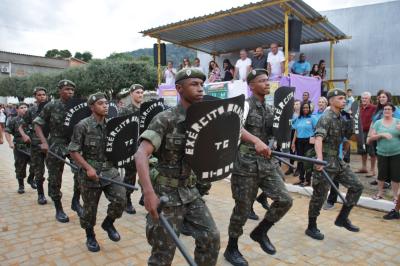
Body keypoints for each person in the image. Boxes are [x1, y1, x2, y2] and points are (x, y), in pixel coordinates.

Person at [135, 68, 270, 266]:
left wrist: (256, 140)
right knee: (163, 254)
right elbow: (141, 154)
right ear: (179, 88)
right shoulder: (166, 119)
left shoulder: (206, 113)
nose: (200, 89)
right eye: (194, 84)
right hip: (166, 193)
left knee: (211, 238)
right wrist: (148, 193)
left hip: (190, 191)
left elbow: (234, 127)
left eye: (201, 84)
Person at [224, 69, 293, 266]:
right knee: (243, 209)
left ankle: (260, 231)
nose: (266, 83)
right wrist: (256, 141)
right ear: (251, 85)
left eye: (267, 80)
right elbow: (236, 127)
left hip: (266, 164)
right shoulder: (244, 105)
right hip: (245, 165)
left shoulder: (271, 109)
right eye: (261, 81)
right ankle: (231, 248)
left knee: (285, 200)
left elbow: (275, 133)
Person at [69, 92, 126, 252]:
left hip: (110, 170)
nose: (105, 106)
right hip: (90, 175)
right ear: (92, 107)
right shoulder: (82, 126)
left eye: (106, 103)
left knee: (121, 199)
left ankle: (108, 223)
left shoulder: (112, 125)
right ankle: (90, 236)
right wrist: (88, 168)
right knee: (89, 210)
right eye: (101, 103)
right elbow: (73, 151)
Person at [305, 88, 363, 241]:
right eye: (340, 98)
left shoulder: (341, 117)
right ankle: (311, 226)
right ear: (331, 101)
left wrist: (353, 119)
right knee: (319, 196)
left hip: (337, 160)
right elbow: (318, 138)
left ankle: (342, 218)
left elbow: (350, 137)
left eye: (345, 98)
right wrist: (319, 159)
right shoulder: (327, 117)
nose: (344, 101)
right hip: (325, 160)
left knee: (357, 186)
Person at [33, 79, 83, 223]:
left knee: (80, 173)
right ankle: (58, 208)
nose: (70, 92)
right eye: (67, 89)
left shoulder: (77, 106)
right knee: (55, 178)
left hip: (73, 144)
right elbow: (37, 123)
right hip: (56, 143)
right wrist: (44, 142)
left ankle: (75, 201)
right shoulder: (51, 106)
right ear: (59, 90)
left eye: (72, 90)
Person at [19, 87, 48, 205]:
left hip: (50, 144)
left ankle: (52, 191)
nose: (42, 96)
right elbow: (21, 126)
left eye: (44, 94)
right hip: (36, 145)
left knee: (53, 171)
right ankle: (41, 194)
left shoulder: (51, 108)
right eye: (39, 95)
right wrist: (24, 135)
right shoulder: (31, 111)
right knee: (39, 171)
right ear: (35, 96)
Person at [118, 84, 144, 215]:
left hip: (144, 147)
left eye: (142, 92)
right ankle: (126, 200)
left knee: (149, 173)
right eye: (138, 92)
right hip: (130, 148)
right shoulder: (125, 111)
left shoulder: (144, 110)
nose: (140, 95)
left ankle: (145, 197)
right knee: (130, 176)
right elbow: (119, 131)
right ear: (131, 94)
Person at [367, 102, 400, 202]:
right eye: (385, 109)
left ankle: (395, 196)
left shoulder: (398, 122)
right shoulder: (378, 123)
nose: (387, 111)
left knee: (396, 176)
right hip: (382, 153)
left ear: (393, 111)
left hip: (396, 153)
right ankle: (380, 193)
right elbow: (370, 139)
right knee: (381, 175)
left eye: (389, 109)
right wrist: (382, 135)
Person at [4, 102, 32, 194]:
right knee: (20, 167)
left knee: (36, 165)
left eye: (25, 107)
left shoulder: (33, 119)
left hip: (32, 147)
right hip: (20, 148)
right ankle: (21, 186)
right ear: (17, 110)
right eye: (22, 107)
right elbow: (7, 131)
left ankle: (31, 179)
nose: (24, 109)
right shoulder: (14, 120)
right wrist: (10, 142)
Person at [292, 102, 318, 186]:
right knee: (300, 161)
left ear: (309, 109)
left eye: (307, 108)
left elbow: (317, 129)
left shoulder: (312, 118)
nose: (305, 109)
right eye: (304, 108)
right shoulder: (298, 118)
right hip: (299, 141)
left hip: (309, 142)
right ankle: (301, 179)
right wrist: (293, 143)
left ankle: (307, 180)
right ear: (301, 109)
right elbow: (296, 131)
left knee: (308, 162)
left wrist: (314, 139)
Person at [356, 92, 377, 177]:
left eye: (366, 98)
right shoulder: (359, 108)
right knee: (362, 151)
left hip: (370, 132)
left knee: (372, 152)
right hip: (360, 132)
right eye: (363, 98)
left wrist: (373, 132)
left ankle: (372, 170)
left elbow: (375, 120)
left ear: (369, 99)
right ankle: (364, 167)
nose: (364, 100)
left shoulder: (374, 108)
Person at [285, 99, 301, 176]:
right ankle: (291, 167)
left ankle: (298, 169)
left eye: (298, 104)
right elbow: (288, 123)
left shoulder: (302, 114)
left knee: (299, 151)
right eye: (295, 104)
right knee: (292, 150)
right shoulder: (291, 114)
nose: (296, 105)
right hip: (292, 132)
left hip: (300, 133)